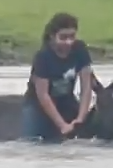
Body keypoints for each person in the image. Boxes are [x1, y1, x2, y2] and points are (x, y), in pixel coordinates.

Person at [22, 12, 94, 141]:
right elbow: (43, 95)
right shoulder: (43, 57)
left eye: (72, 37)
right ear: (52, 36)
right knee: (31, 141)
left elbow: (86, 88)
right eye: (63, 37)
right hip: (38, 105)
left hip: (66, 101)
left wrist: (80, 118)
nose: (68, 42)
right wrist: (62, 125)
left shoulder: (80, 49)